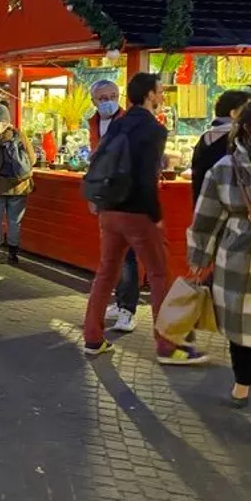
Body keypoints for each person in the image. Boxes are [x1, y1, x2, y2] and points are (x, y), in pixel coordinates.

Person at [81, 72, 207, 365]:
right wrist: (155, 215)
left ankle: (93, 337)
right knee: (160, 275)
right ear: (150, 95)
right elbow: (145, 177)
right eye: (160, 92)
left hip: (108, 209)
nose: (163, 97)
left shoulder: (117, 124)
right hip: (137, 211)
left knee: (106, 272)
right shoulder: (153, 128)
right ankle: (167, 345)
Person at [188, 99, 251, 433]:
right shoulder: (225, 168)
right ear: (248, 127)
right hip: (239, 256)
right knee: (241, 327)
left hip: (238, 255)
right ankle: (243, 383)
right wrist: (198, 258)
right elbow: (205, 218)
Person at [89, 79, 142, 334]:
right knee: (112, 253)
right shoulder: (94, 123)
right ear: (94, 102)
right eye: (102, 98)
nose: (108, 101)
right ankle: (120, 301)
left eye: (113, 95)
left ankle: (128, 311)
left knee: (128, 257)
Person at [0, 105, 35, 265]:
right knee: (14, 221)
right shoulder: (19, 134)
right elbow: (31, 159)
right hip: (18, 186)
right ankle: (12, 254)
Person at [191, 89, 251, 205]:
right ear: (234, 113)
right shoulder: (240, 139)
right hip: (233, 209)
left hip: (205, 204)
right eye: (248, 110)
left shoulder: (205, 138)